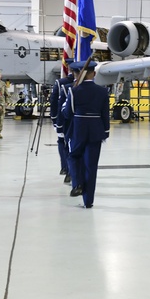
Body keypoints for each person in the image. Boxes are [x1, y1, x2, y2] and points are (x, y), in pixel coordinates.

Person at [63, 60, 110, 209]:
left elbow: (67, 113)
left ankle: (77, 184)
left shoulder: (74, 90)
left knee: (73, 156)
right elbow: (105, 114)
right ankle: (88, 200)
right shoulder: (102, 91)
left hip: (79, 129)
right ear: (94, 74)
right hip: (96, 130)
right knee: (91, 165)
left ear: (78, 74)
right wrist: (105, 132)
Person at [50, 70, 75, 186]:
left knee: (62, 142)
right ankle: (71, 171)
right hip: (77, 121)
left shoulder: (61, 83)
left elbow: (54, 102)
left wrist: (55, 120)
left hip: (64, 119)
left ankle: (65, 167)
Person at [0, 70, 9, 139]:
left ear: (1, 76)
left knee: (1, 119)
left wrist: (7, 102)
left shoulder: (3, 84)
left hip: (2, 103)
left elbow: (6, 94)